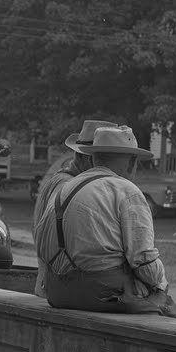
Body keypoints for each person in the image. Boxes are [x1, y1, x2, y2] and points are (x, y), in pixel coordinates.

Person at [33, 125, 176, 319]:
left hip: (57, 293)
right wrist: (161, 286)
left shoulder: (65, 187)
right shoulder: (126, 190)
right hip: (101, 293)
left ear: (93, 156)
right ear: (131, 162)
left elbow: (40, 241)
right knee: (169, 308)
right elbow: (143, 260)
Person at [32, 119, 114, 298]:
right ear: (86, 158)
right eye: (104, 159)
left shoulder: (68, 183)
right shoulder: (68, 186)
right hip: (60, 286)